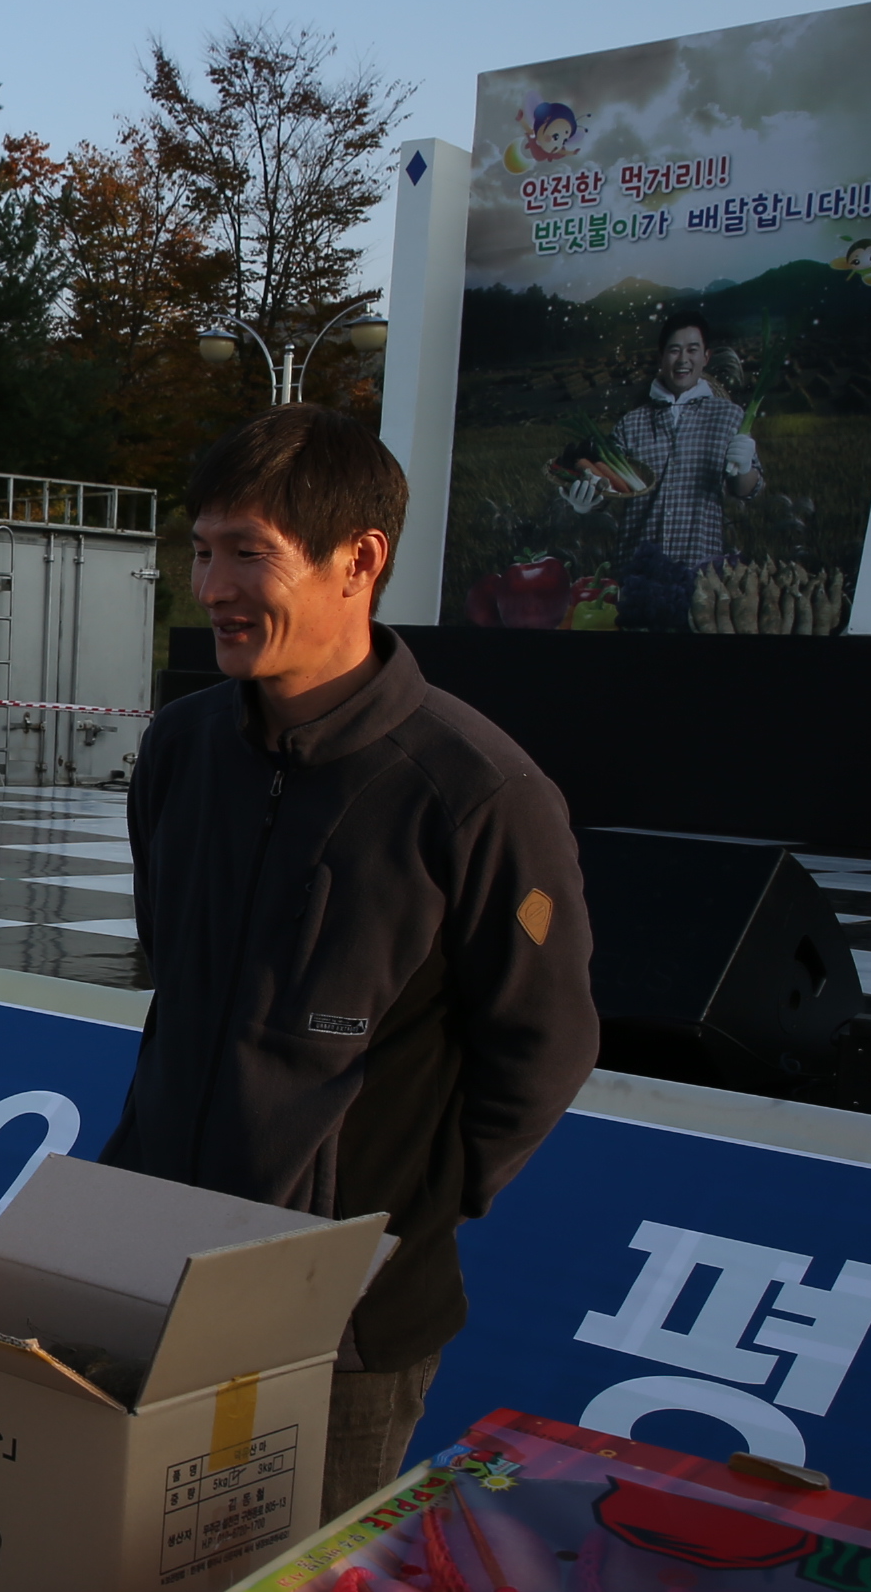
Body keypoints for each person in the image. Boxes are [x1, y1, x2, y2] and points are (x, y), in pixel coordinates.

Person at [103, 406, 599, 1517]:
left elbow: (545, 1045)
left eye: (248, 554)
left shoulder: (475, 792)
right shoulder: (182, 748)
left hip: (345, 1326)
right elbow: (171, 967)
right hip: (153, 1271)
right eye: (202, 549)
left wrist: (409, 1209)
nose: (212, 586)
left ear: (360, 561)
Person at [575, 311, 762, 631]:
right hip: (636, 572)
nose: (683, 358)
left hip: (700, 574)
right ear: (661, 357)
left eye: (692, 349)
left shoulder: (729, 416)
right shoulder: (631, 424)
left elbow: (747, 490)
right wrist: (586, 500)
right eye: (674, 350)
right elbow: (608, 491)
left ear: (706, 357)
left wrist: (744, 465)